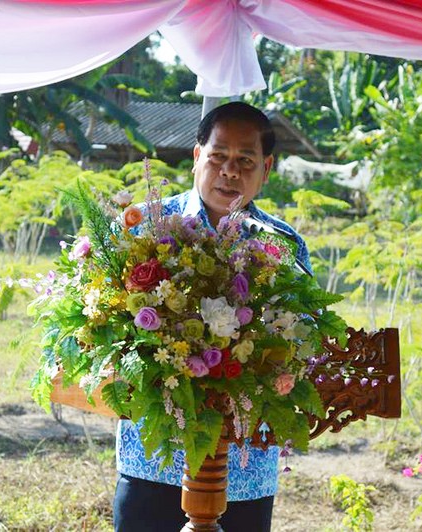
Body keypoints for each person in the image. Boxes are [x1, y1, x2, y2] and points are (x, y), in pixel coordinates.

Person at [113, 102, 313, 532]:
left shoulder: (285, 245)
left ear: (267, 168)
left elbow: (306, 335)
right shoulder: (140, 227)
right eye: (218, 156)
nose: (230, 172)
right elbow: (103, 322)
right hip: (153, 459)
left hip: (244, 471)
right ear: (196, 156)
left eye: (245, 161)